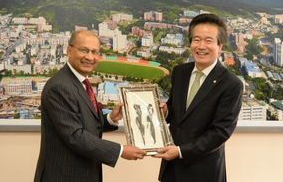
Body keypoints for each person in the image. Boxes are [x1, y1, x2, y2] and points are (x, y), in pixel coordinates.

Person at [34, 30, 146, 182]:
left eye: (95, 52)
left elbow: (85, 124)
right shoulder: (60, 86)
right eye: (84, 50)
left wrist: (111, 119)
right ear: (69, 50)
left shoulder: (81, 82)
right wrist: (120, 150)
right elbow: (75, 136)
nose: (90, 57)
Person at [153, 14, 244, 182]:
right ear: (190, 42)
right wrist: (166, 111)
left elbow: (220, 132)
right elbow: (176, 111)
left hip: (204, 172)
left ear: (220, 46)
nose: (201, 46)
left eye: (209, 41)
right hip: (171, 170)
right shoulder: (180, 72)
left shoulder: (231, 84)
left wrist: (180, 151)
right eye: (197, 40)